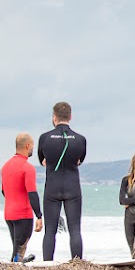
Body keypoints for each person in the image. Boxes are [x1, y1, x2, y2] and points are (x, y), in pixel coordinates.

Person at [38, 102, 87, 260]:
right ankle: (78, 263)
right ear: (70, 117)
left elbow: (42, 160)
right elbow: (79, 161)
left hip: (52, 185)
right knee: (74, 229)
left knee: (50, 230)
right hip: (72, 186)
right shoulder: (80, 139)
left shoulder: (45, 138)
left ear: (54, 117)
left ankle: (47, 263)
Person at [1, 133, 43, 262]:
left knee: (16, 249)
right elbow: (32, 193)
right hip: (23, 215)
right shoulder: (27, 168)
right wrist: (39, 216)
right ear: (27, 145)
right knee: (19, 250)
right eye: (32, 146)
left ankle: (16, 266)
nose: (32, 149)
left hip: (9, 214)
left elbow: (3, 191)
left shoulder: (5, 167)